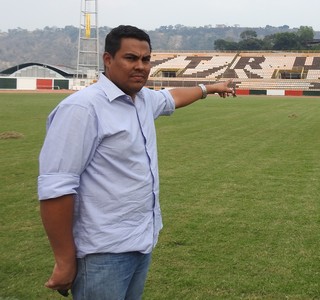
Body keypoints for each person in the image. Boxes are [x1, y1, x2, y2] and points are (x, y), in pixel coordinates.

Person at [38, 25, 235, 300]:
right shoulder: (82, 109)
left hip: (140, 242)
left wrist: (209, 88)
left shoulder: (142, 100)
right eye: (131, 58)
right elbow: (56, 188)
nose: (140, 66)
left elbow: (172, 98)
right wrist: (64, 260)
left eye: (146, 59)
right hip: (102, 253)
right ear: (108, 60)